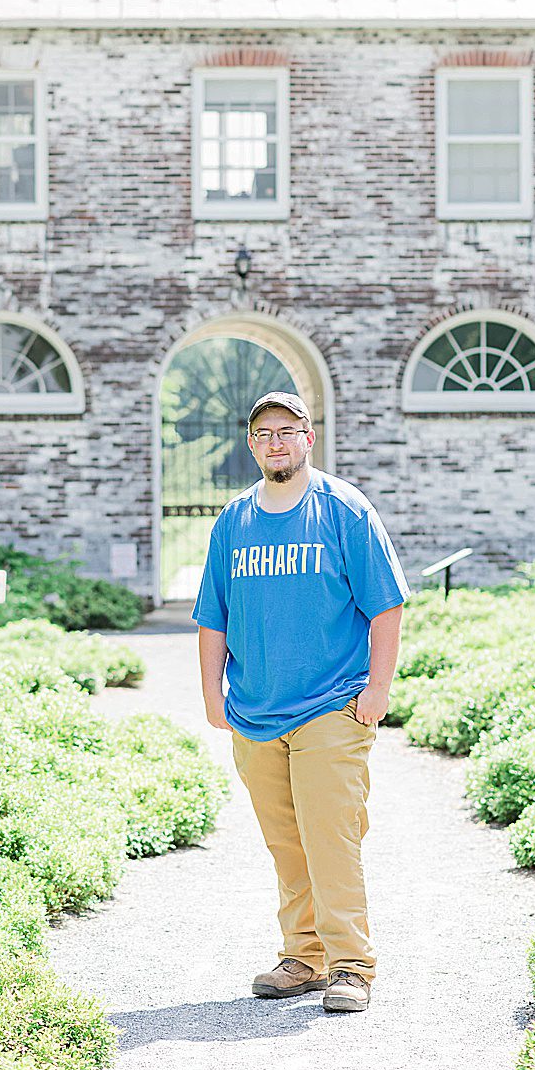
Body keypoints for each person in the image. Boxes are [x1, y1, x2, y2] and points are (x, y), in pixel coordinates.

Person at [193, 391, 408, 1014]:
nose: (276, 442)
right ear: (251, 443)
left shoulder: (344, 510)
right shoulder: (233, 522)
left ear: (308, 437)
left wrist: (377, 691)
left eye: (288, 431)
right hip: (256, 709)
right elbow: (214, 616)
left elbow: (386, 604)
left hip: (332, 706)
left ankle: (351, 965)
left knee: (330, 836)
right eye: (264, 434)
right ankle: (304, 957)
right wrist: (213, 694)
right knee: (286, 842)